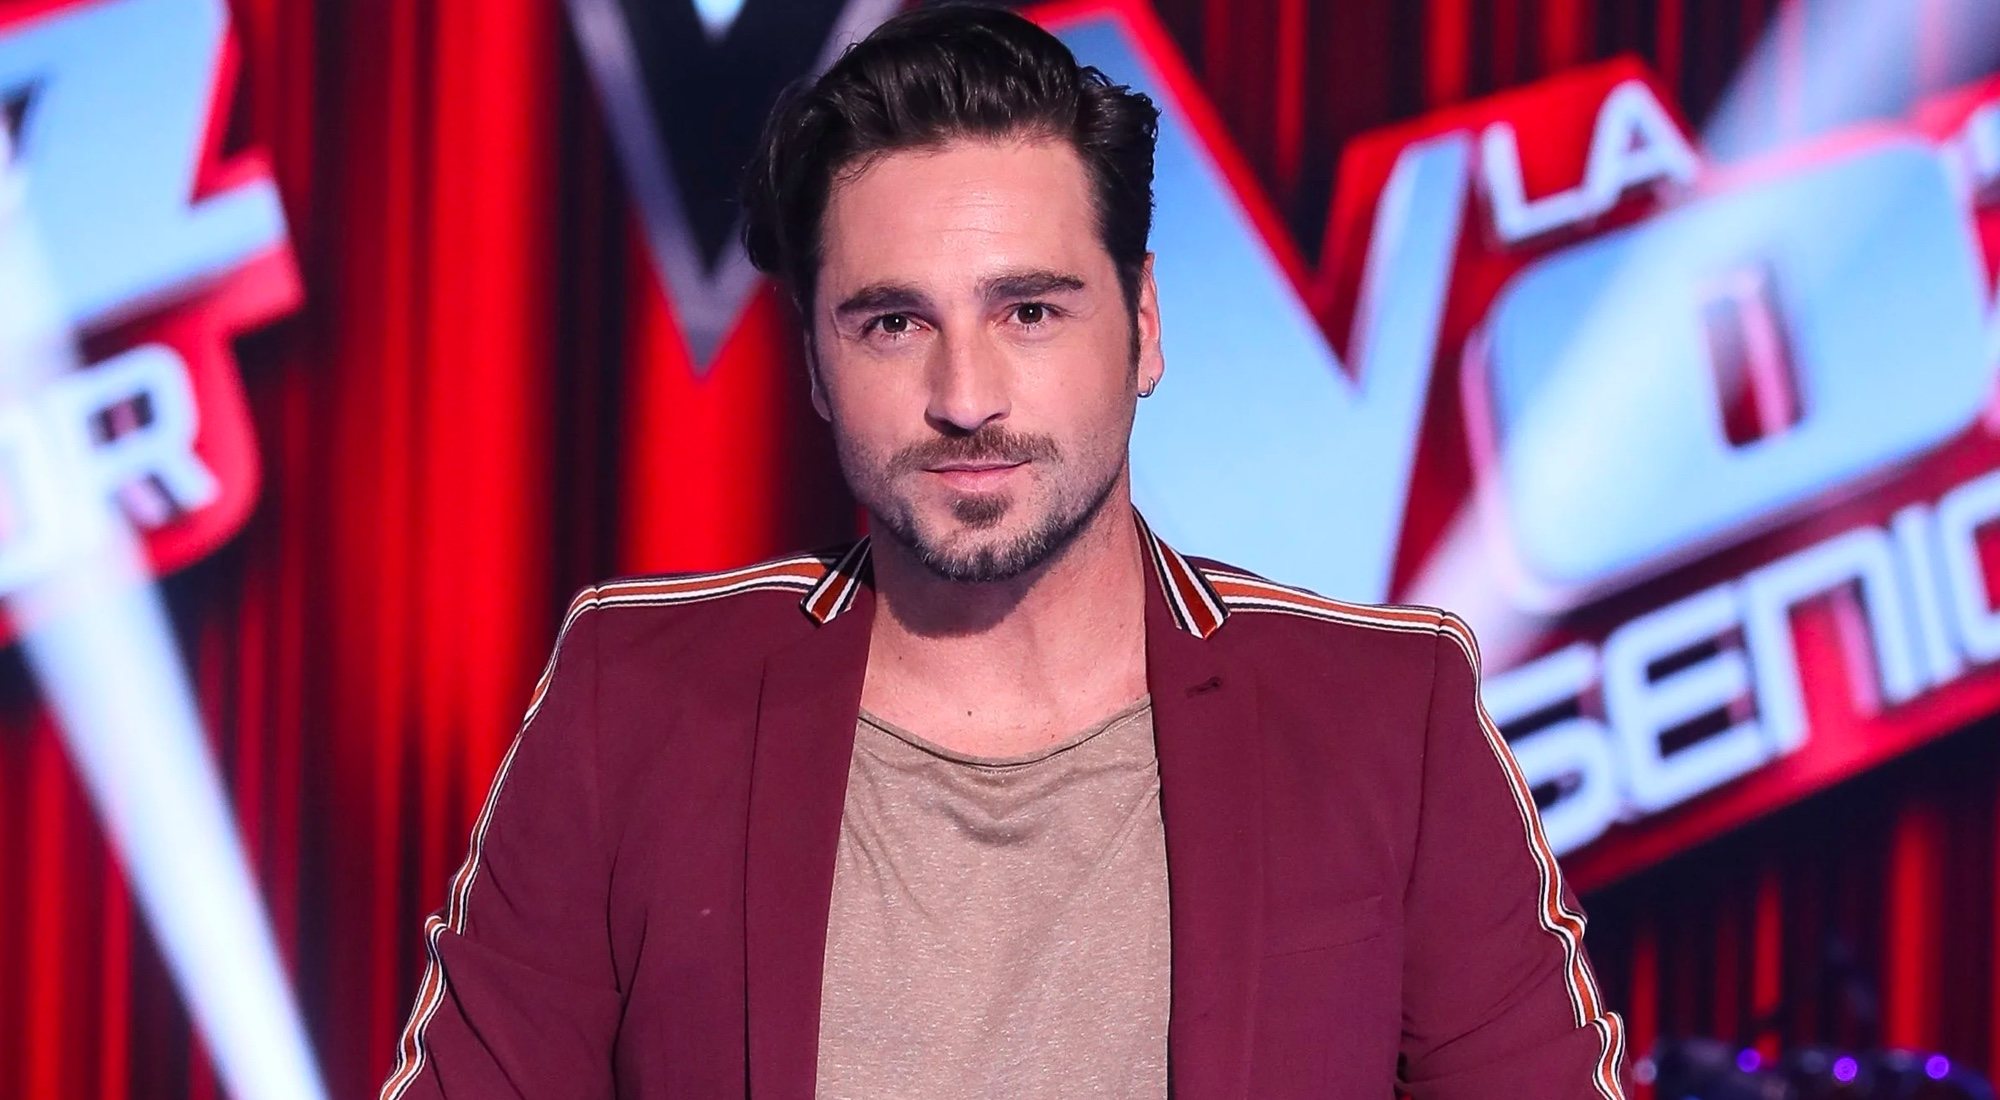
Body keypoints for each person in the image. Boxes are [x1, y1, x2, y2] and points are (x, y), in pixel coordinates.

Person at [378, 5, 1626, 1098]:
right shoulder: (635, 696)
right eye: (891, 322)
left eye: (1028, 310)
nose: (964, 396)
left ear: (1141, 325)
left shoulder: (1383, 714)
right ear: (814, 363)